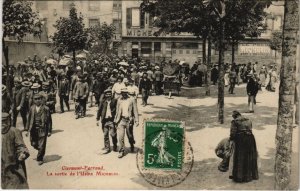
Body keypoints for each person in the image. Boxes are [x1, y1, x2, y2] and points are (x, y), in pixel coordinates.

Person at [2, 113, 30, 189]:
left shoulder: (14, 131)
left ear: (9, 121)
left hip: (13, 168)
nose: (2, 124)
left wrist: (22, 153)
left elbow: (20, 145)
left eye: (4, 121)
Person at [229, 110, 258, 183]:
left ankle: (240, 177)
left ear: (234, 116)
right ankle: (250, 176)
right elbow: (250, 129)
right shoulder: (248, 120)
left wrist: (230, 139)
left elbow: (233, 134)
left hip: (241, 139)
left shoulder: (234, 122)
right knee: (249, 156)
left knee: (240, 157)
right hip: (251, 138)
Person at [25, 93, 51, 165]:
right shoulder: (32, 108)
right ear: (33, 100)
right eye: (35, 99)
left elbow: (49, 121)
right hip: (33, 129)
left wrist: (49, 131)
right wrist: (27, 129)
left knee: (42, 145)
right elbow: (29, 118)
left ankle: (40, 158)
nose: (37, 101)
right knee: (33, 143)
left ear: (42, 99)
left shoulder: (46, 108)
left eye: (39, 99)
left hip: (42, 129)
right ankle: (39, 149)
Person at [114, 88, 139, 158]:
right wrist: (116, 120)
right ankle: (121, 151)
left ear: (127, 93)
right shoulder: (119, 100)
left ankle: (131, 144)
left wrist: (137, 120)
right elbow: (117, 110)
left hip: (129, 120)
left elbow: (135, 110)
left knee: (129, 135)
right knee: (120, 136)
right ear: (121, 93)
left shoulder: (132, 100)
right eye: (122, 92)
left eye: (125, 92)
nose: (123, 94)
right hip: (121, 120)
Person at [96, 89, 118, 154]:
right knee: (105, 134)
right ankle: (107, 148)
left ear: (111, 94)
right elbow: (99, 110)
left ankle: (115, 145)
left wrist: (117, 119)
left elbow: (117, 110)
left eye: (109, 94)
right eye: (107, 94)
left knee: (113, 134)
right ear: (105, 95)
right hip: (104, 121)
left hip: (112, 120)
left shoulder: (114, 101)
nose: (108, 95)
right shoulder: (102, 101)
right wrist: (97, 119)